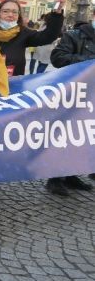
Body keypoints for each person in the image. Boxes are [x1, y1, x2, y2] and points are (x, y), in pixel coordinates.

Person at [0, 1, 64, 205]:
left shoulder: (23, 34)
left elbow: (48, 36)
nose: (10, 15)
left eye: (14, 12)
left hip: (9, 96)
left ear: (19, 16)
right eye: (6, 11)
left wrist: (57, 13)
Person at [47, 14, 95, 195]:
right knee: (67, 137)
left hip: (93, 97)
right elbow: (58, 57)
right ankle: (55, 178)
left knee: (85, 138)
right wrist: (89, 63)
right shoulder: (75, 35)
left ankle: (73, 174)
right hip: (75, 95)